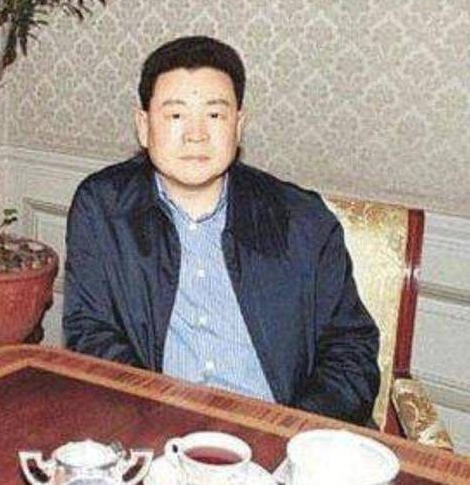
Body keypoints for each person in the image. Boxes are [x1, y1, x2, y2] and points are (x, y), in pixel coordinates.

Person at [62, 36, 379, 425]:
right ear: (143, 126)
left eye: (214, 115)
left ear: (239, 126)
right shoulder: (102, 208)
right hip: (156, 427)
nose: (196, 134)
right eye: (175, 116)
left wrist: (288, 429)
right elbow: (90, 334)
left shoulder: (302, 220)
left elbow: (352, 352)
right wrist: (155, 414)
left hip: (279, 435)